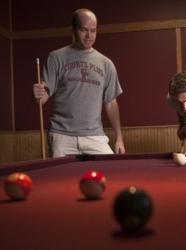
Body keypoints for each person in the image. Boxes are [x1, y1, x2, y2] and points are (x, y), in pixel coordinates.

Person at [33, 8, 125, 157]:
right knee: (60, 179)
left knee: (110, 173)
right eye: (83, 30)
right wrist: (38, 94)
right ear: (74, 30)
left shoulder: (106, 63)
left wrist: (119, 137)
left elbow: (111, 102)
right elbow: (43, 98)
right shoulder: (56, 57)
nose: (89, 36)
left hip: (94, 137)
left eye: (93, 31)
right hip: (62, 137)